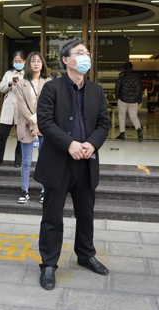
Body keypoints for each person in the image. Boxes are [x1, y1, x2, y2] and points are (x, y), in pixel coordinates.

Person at [34, 40, 110, 290]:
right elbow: (45, 122)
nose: (85, 56)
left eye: (87, 53)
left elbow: (103, 124)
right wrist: (69, 144)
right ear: (66, 60)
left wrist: (92, 144)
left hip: (86, 162)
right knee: (52, 216)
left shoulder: (96, 91)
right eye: (79, 53)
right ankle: (48, 263)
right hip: (58, 162)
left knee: (86, 214)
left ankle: (86, 254)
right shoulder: (51, 88)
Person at [15, 51, 50, 204]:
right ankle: (24, 190)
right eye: (33, 61)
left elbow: (49, 104)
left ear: (43, 64)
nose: (36, 64)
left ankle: (44, 190)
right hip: (26, 125)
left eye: (39, 61)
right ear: (28, 64)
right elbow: (21, 105)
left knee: (44, 160)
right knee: (26, 161)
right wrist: (33, 123)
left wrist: (38, 122)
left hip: (45, 125)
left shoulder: (49, 82)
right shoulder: (21, 83)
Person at [0, 51, 25, 167]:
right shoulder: (8, 73)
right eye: (15, 61)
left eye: (20, 61)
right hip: (9, 108)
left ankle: (18, 161)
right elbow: (1, 88)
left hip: (21, 109)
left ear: (24, 61)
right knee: (2, 135)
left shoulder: (28, 74)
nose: (18, 63)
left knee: (21, 136)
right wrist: (9, 83)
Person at [114, 61, 143, 142]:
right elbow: (140, 89)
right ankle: (139, 131)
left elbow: (117, 88)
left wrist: (117, 97)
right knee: (134, 116)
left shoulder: (121, 77)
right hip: (134, 100)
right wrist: (139, 100)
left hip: (123, 99)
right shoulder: (137, 77)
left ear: (124, 68)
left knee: (122, 116)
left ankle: (122, 134)